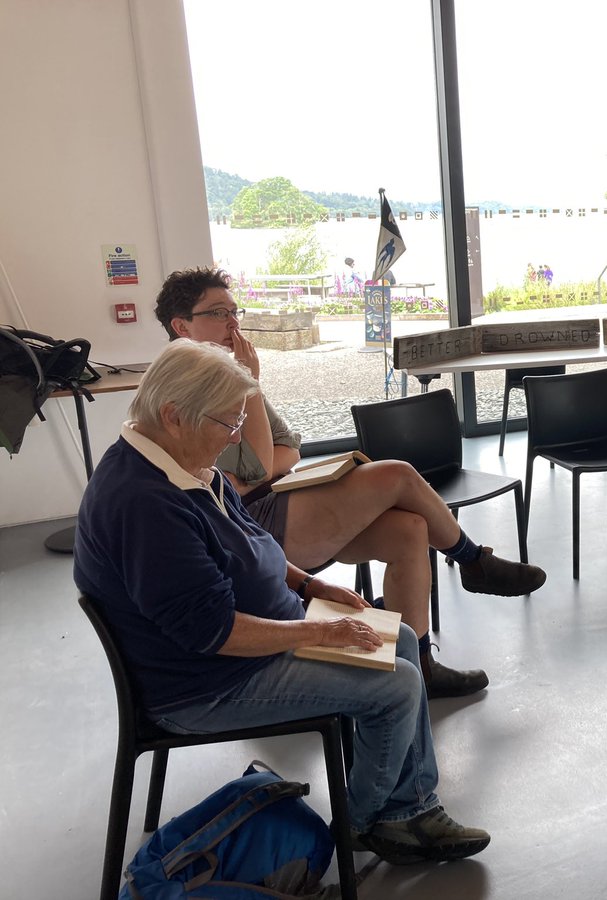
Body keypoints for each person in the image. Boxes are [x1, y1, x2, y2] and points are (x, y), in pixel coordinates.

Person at [73, 339, 491, 864]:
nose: (232, 440)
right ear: (175, 416)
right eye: (226, 425)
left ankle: (408, 808)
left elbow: (253, 541)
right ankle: (362, 825)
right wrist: (317, 631)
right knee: (397, 684)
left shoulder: (184, 464)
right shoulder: (144, 504)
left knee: (401, 639)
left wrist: (310, 586)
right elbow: (213, 632)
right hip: (209, 684)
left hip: (263, 636)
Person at [153, 267, 546, 700]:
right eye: (217, 313)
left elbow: (288, 449)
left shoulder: (225, 371)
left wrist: (251, 473)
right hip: (247, 531)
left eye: (234, 311)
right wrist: (252, 397)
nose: (233, 324)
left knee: (410, 531)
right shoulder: (185, 390)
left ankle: (419, 665)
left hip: (273, 500)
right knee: (395, 474)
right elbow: (262, 467)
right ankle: (473, 560)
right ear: (181, 325)